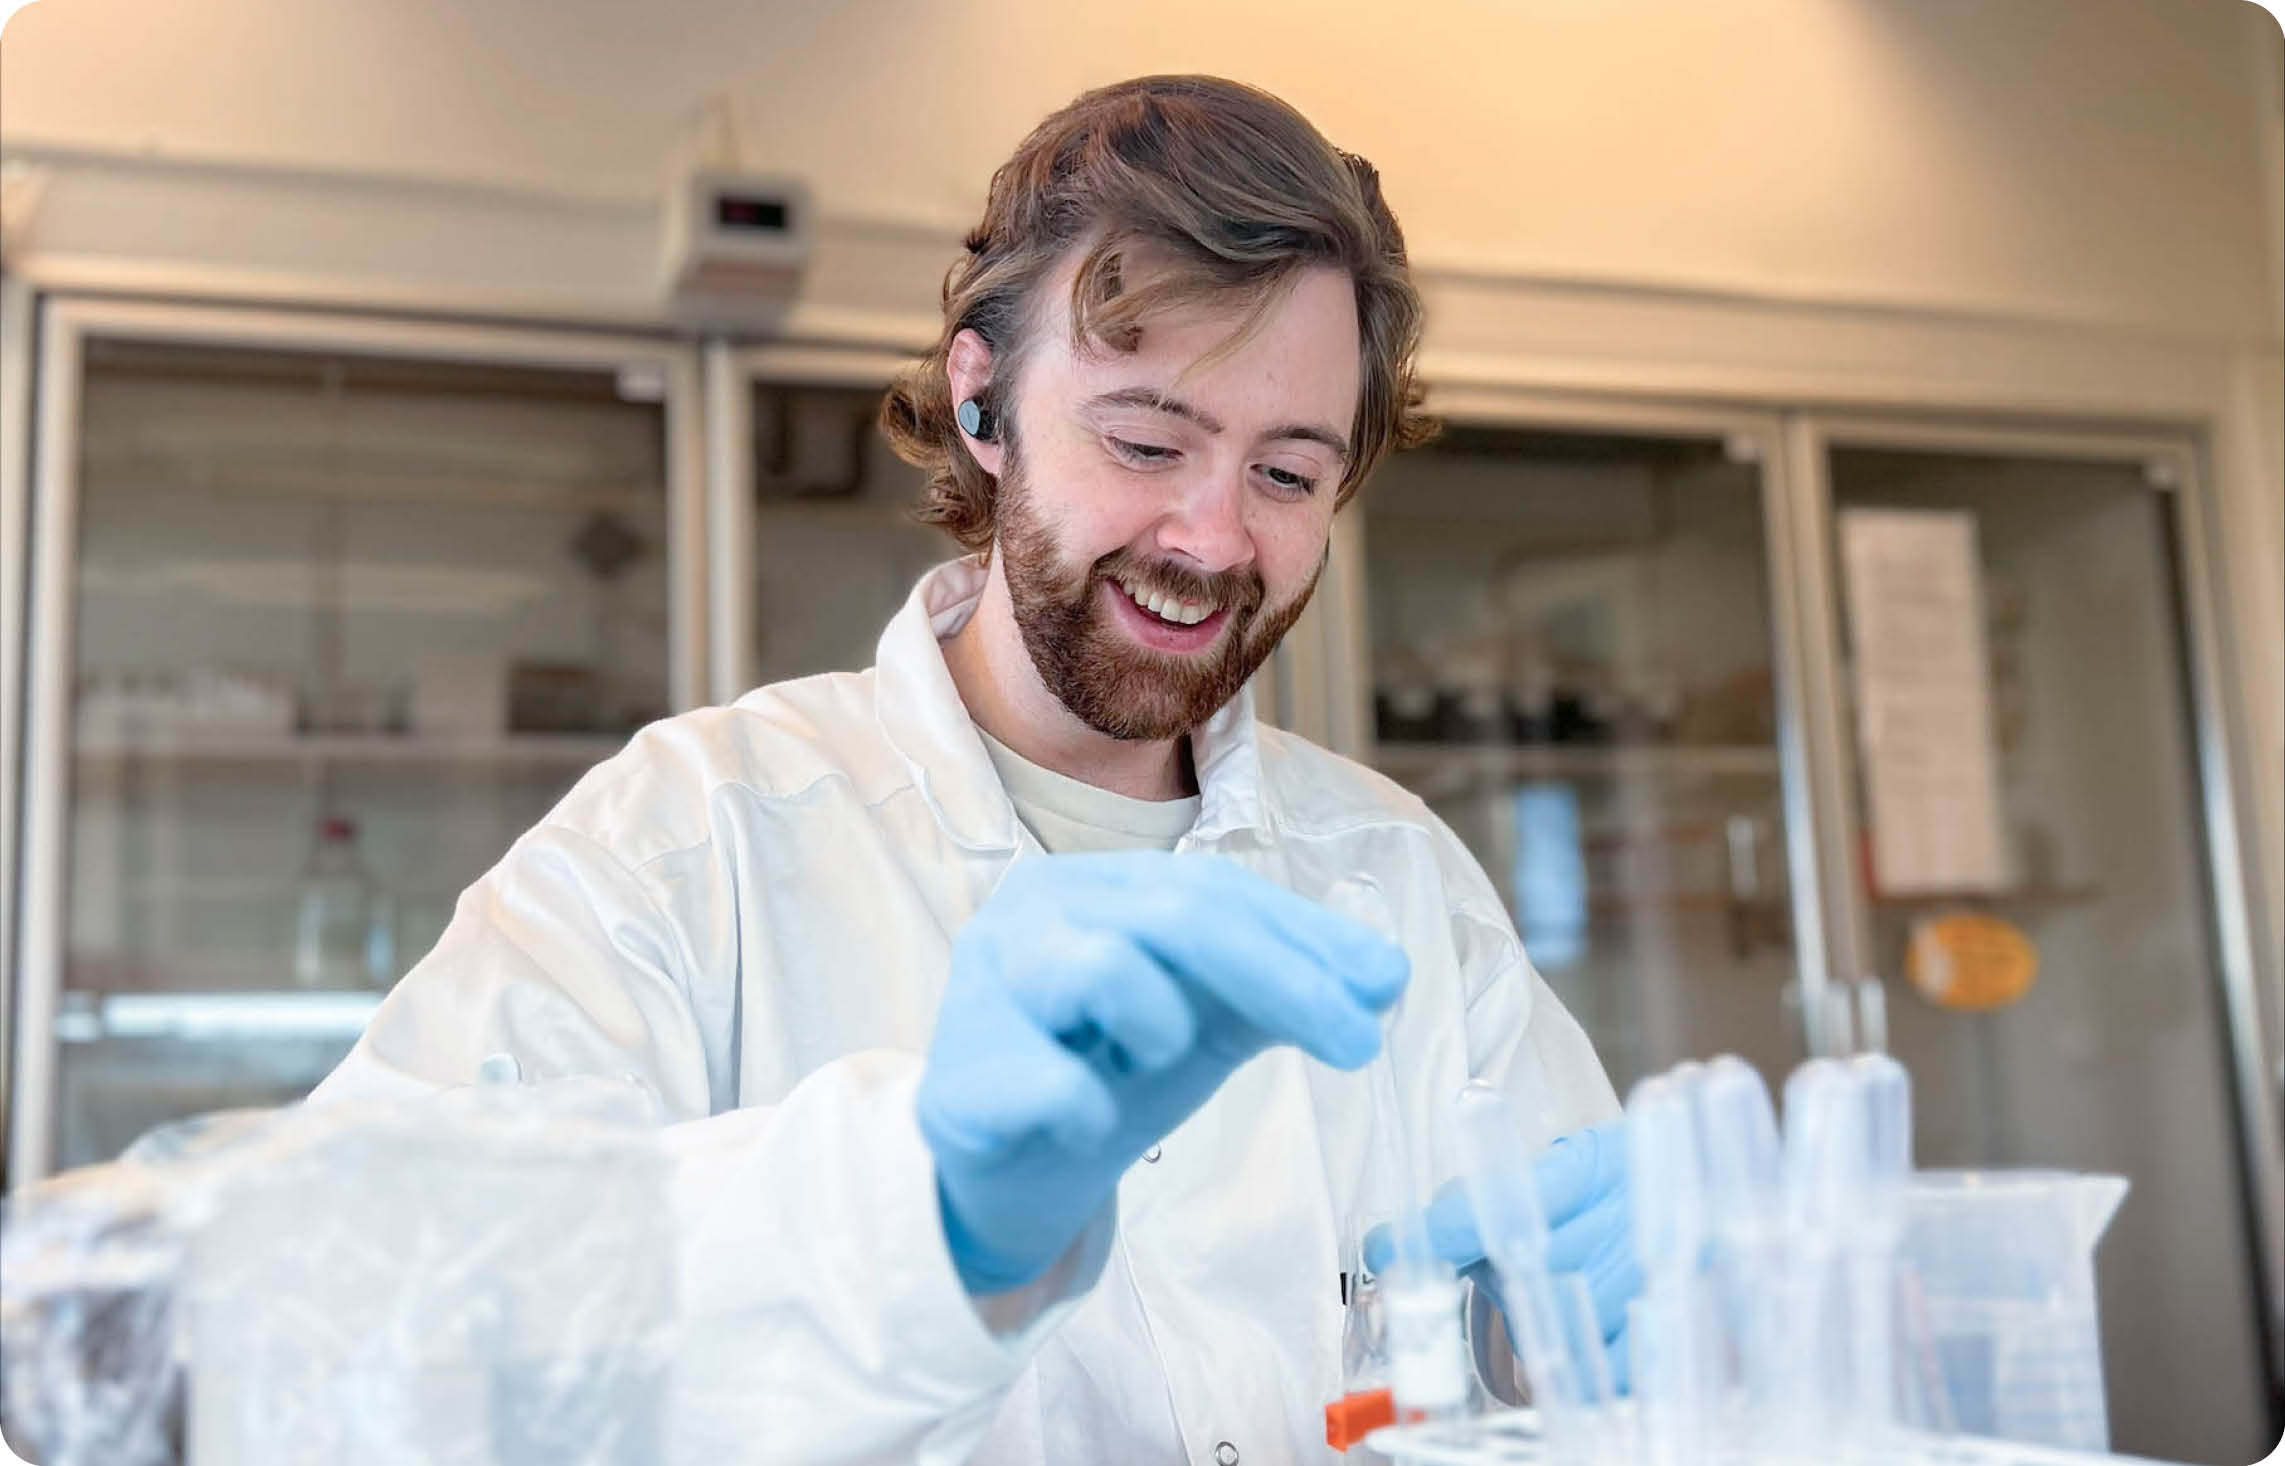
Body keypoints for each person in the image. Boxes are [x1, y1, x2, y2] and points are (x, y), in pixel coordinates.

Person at [312, 74, 1636, 1464]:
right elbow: (353, 1328)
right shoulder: (693, 840)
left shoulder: (1400, 876)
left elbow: (1542, 1364)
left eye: (1287, 476)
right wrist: (909, 1210)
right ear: (983, 404)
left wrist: (1552, 1366)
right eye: (1143, 440)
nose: (1209, 536)